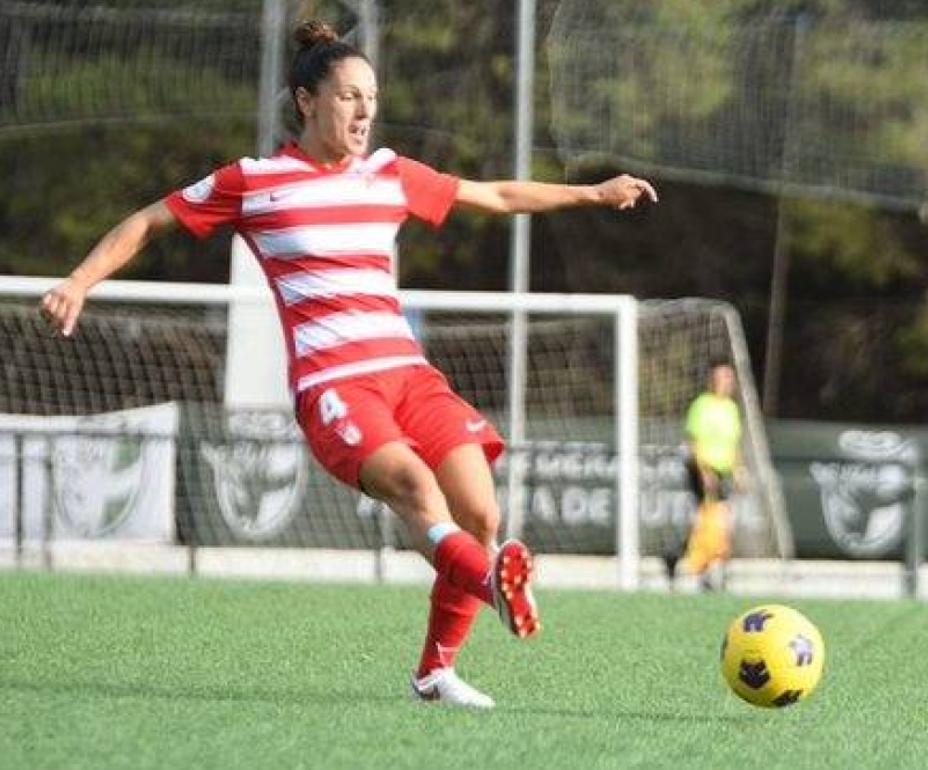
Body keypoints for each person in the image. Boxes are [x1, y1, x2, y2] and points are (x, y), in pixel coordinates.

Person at [38, 20, 657, 709]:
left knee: (481, 514)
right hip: (334, 383)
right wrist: (79, 281)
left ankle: (435, 671)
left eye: (372, 98)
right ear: (306, 101)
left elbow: (498, 195)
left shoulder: (389, 174)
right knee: (413, 488)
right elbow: (150, 220)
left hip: (408, 374)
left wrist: (593, 194)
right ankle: (493, 587)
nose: (364, 112)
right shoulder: (254, 182)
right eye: (347, 97)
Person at [664, 363, 742, 591]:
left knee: (721, 524)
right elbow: (695, 442)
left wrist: (738, 470)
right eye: (723, 378)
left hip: (723, 471)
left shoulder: (730, 408)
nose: (728, 383)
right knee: (708, 523)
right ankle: (688, 562)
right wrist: (705, 472)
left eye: (730, 378)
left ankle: (708, 570)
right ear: (712, 381)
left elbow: (733, 443)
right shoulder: (702, 406)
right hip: (703, 471)